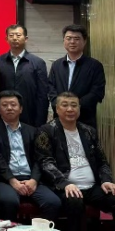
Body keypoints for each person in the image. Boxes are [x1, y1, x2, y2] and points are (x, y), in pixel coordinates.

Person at [35, 92, 115, 230]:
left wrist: (106, 180)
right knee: (74, 202)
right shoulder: (46, 131)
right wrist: (65, 183)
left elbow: (102, 161)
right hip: (65, 186)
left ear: (79, 108)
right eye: (65, 105)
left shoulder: (88, 131)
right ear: (57, 109)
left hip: (93, 186)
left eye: (74, 105)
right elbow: (46, 162)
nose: (70, 109)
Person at [0, 90, 61, 222]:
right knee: (9, 201)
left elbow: (39, 158)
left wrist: (34, 180)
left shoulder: (33, 130)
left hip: (30, 178)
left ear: (21, 109)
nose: (9, 108)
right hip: (5, 180)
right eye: (4, 105)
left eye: (13, 104)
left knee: (53, 202)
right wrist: (12, 181)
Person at [48, 24, 105, 129]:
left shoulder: (95, 66)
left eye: (77, 39)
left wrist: (75, 106)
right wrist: (60, 105)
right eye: (68, 38)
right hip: (60, 119)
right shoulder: (57, 65)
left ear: (85, 41)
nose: (72, 42)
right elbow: (51, 88)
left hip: (85, 120)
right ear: (64, 41)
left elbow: (97, 92)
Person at [0, 24, 49, 127]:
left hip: (29, 114)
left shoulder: (38, 63)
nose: (15, 38)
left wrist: (41, 121)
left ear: (26, 38)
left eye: (18, 35)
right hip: (4, 114)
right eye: (11, 35)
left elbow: (42, 94)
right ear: (6, 39)